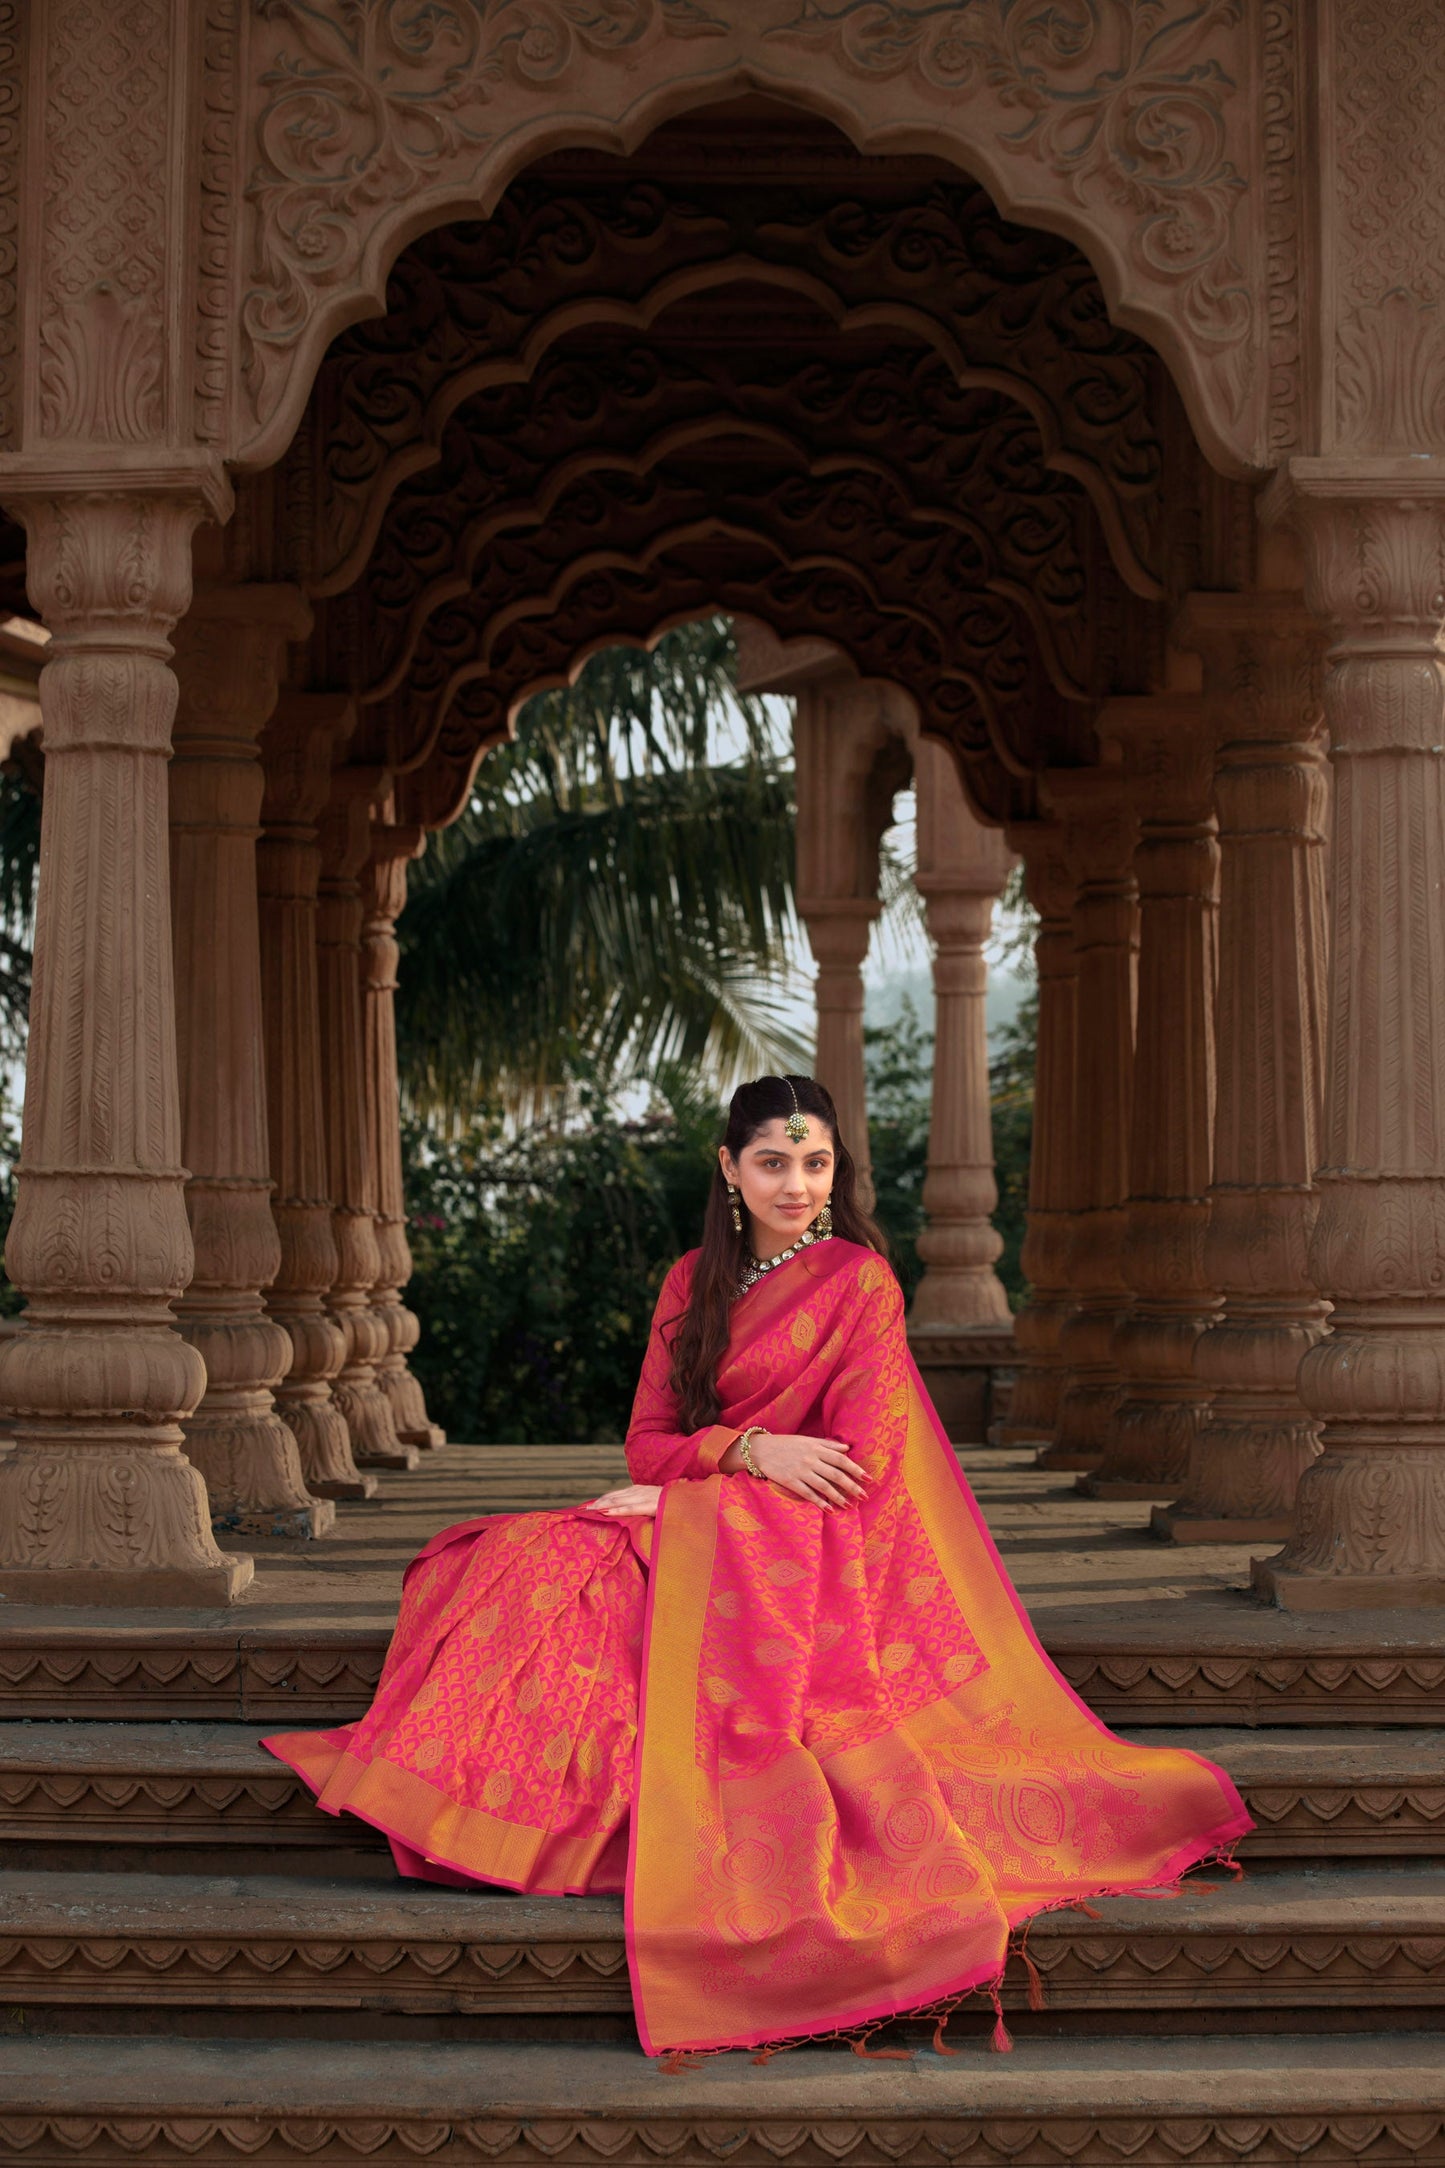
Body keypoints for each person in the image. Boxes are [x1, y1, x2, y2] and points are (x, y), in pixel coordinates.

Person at [265, 1074, 1249, 2059]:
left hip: (790, 1552)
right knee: (510, 1557)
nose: (794, 1182)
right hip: (708, 1510)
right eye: (772, 1161)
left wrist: (714, 1489)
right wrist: (739, 1452)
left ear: (836, 1174)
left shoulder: (860, 1284)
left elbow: (855, 1467)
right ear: (728, 1168)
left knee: (593, 1586)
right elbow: (648, 1444)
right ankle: (473, 1811)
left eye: (814, 1163)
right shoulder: (689, 1279)